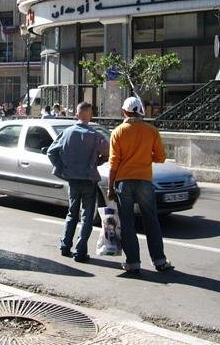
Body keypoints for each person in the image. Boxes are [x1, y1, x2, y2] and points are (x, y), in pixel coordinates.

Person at [107, 96, 172, 273]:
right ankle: (159, 260)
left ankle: (133, 263)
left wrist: (110, 187)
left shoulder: (118, 132)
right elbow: (160, 157)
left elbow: (113, 162)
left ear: (125, 112)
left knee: (127, 223)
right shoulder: (151, 131)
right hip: (144, 180)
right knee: (151, 220)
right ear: (140, 112)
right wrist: (144, 157)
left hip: (123, 181)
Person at [47, 102, 109, 262]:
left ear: (76, 114)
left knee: (71, 213)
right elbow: (108, 152)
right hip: (89, 179)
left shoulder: (67, 133)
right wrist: (99, 161)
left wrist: (61, 168)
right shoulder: (96, 136)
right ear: (90, 115)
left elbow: (51, 152)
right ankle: (80, 251)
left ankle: (65, 245)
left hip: (72, 179)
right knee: (87, 215)